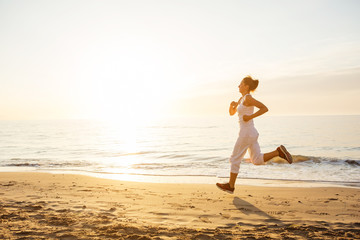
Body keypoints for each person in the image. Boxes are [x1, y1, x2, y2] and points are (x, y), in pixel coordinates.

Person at [216, 76, 293, 194]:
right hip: (250, 132)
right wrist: (231, 106)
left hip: (246, 133)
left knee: (235, 158)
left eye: (240, 84)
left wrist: (250, 117)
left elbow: (264, 108)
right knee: (256, 160)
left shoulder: (248, 98)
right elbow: (232, 113)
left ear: (246, 86)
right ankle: (278, 152)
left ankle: (231, 186)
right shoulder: (241, 98)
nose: (238, 86)